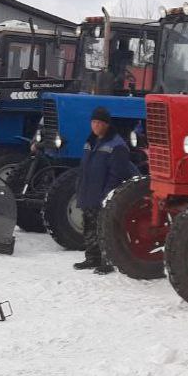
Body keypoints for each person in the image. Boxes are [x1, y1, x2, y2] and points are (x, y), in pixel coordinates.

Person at [73, 106, 137, 274]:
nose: (95, 126)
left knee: (104, 228)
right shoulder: (90, 142)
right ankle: (92, 258)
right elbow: (84, 167)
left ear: (107, 125)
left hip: (103, 195)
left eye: (99, 123)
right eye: (93, 122)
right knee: (89, 226)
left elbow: (117, 173)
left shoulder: (117, 145)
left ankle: (107, 261)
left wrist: (106, 194)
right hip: (88, 191)